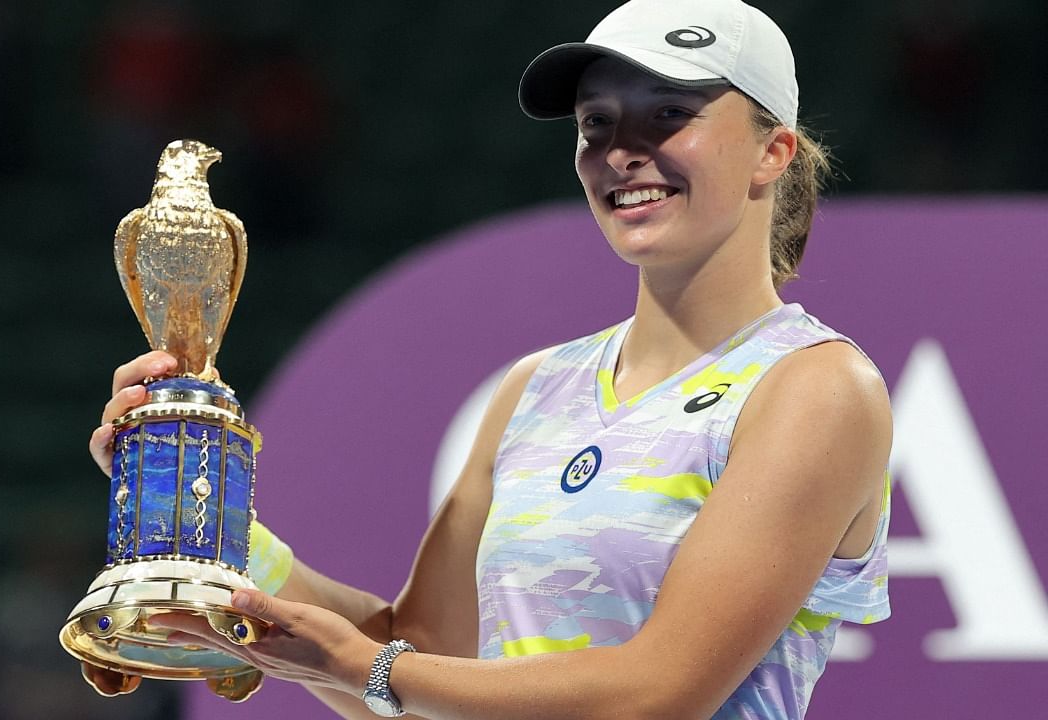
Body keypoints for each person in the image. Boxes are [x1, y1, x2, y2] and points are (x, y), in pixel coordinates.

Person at [85, 0, 892, 717]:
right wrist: (204, 514)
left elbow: (658, 693)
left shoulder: (816, 387)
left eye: (670, 114)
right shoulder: (534, 389)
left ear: (772, 151)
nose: (621, 152)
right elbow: (420, 656)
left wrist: (362, 664)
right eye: (596, 124)